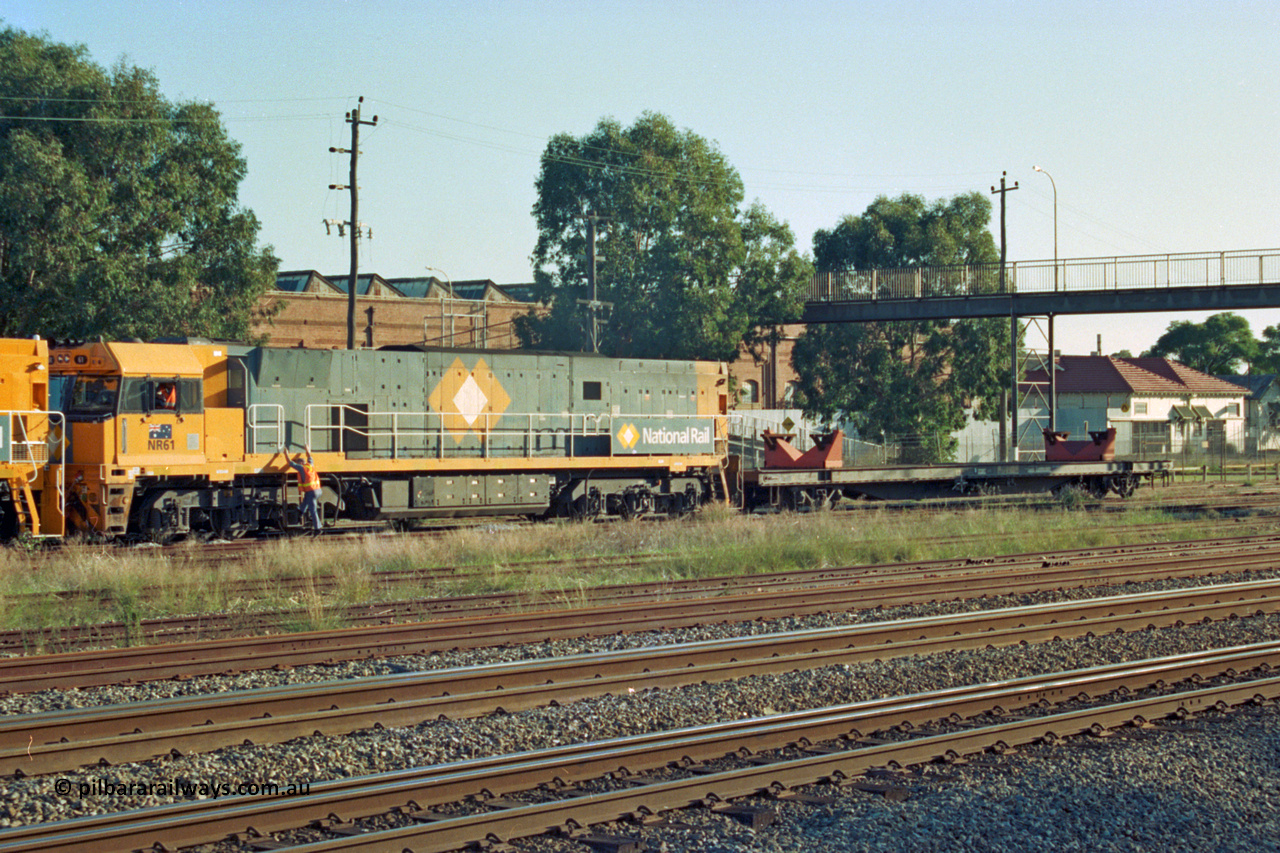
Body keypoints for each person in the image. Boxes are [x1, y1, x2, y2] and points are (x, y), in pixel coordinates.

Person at [287, 449, 322, 532]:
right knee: (306, 499)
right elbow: (310, 457)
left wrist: (286, 454)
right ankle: (300, 511)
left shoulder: (301, 467)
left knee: (313, 510)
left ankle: (318, 528)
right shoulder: (310, 465)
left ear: (301, 463)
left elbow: (291, 463)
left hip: (311, 491)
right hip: (318, 490)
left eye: (298, 463)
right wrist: (307, 449)